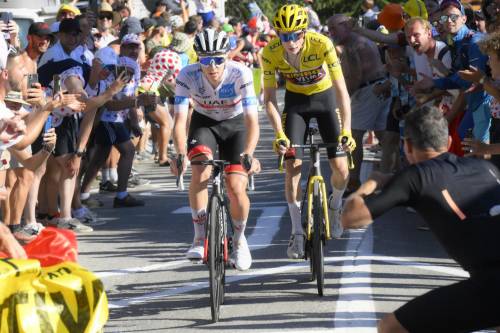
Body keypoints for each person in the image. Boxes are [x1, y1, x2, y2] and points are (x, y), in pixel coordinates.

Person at [342, 105, 500, 333]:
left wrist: (373, 181)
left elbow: (351, 218)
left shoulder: (416, 176)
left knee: (390, 328)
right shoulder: (486, 168)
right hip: (489, 285)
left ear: (407, 146)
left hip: (492, 283)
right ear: (447, 142)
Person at [262, 5, 355, 259]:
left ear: (304, 32)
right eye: (284, 36)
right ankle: (296, 232)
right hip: (296, 104)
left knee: (341, 166)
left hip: (324, 100)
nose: (290, 42)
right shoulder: (269, 52)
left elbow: (342, 93)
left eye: (295, 35)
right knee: (292, 165)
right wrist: (278, 133)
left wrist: (346, 129)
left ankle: (335, 207)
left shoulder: (322, 43)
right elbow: (269, 98)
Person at [171, 28, 261, 271]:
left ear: (227, 57)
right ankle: (200, 236)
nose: (212, 67)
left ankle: (240, 240)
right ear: (197, 59)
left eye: (218, 60)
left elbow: (252, 121)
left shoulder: (241, 73)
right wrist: (180, 153)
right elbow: (180, 121)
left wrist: (250, 152)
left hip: (236, 125)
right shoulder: (187, 74)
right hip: (205, 124)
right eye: (205, 61)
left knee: (235, 186)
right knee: (200, 170)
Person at [328, 14, 390, 193]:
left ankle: (353, 182)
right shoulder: (356, 41)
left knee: (353, 136)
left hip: (368, 90)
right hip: (376, 88)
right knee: (385, 137)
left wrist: (343, 98)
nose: (331, 32)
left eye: (334, 28)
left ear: (347, 25)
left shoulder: (353, 44)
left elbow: (354, 75)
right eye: (329, 28)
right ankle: (393, 177)